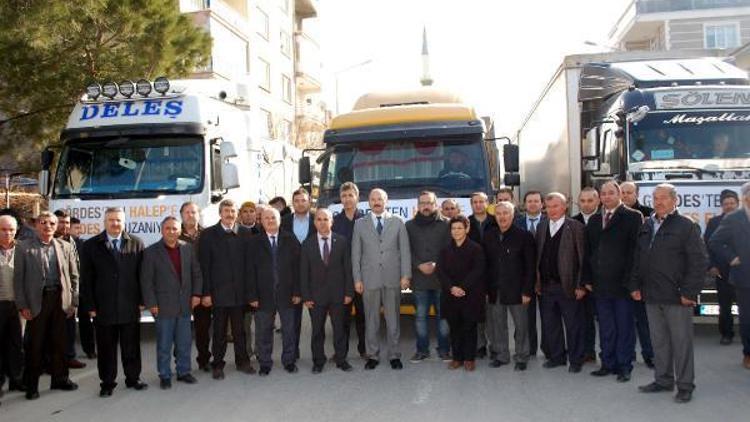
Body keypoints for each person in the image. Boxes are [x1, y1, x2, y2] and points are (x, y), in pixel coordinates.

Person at [629, 183, 707, 403]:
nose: (659, 202)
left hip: (677, 297)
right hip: (651, 295)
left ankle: (685, 385)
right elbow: (638, 258)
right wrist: (634, 285)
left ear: (675, 200)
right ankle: (663, 380)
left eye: (663, 198)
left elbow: (699, 261)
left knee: (681, 343)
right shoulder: (647, 225)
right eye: (655, 198)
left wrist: (689, 292)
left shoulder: (686, 226)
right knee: (659, 341)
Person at [80, 207, 148, 397]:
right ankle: (107, 383)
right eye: (111, 220)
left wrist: (142, 300)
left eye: (118, 220)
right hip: (103, 307)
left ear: (124, 222)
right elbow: (86, 279)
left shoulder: (136, 243)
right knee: (106, 348)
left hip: (129, 305)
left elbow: (141, 275)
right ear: (105, 222)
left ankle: (133, 378)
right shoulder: (92, 245)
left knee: (131, 346)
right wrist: (91, 306)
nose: (115, 223)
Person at [15, 211, 79, 400]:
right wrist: (22, 305)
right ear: (36, 225)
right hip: (37, 301)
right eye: (43, 223)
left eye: (52, 223)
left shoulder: (64, 246)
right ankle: (32, 386)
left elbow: (74, 276)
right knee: (36, 345)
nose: (48, 226)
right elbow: (18, 280)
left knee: (60, 343)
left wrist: (73, 301)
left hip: (60, 300)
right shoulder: (24, 248)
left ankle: (60, 379)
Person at [583, 181, 641, 382]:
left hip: (623, 285)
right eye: (603, 194)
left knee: (624, 327)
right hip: (600, 284)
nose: (607, 197)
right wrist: (587, 279)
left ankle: (624, 366)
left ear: (619, 195)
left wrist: (633, 282)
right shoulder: (594, 220)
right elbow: (588, 253)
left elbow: (636, 253)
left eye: (610, 193)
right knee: (606, 327)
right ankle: (607, 363)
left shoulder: (633, 217)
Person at [352, 188, 411, 370]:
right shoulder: (359, 224)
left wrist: (405, 275)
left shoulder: (398, 222)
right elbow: (356, 254)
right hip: (369, 279)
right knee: (371, 320)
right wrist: (357, 279)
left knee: (393, 319)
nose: (376, 202)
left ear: (386, 201)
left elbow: (405, 251)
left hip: (393, 277)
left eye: (380, 199)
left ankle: (394, 355)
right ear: (368, 202)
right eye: (373, 199)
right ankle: (373, 355)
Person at [141, 216, 203, 389]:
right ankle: (165, 375)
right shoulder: (151, 252)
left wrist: (197, 294)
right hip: (162, 306)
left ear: (179, 231)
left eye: (175, 229)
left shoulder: (188, 249)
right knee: (164, 344)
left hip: (184, 305)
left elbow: (196, 273)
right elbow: (146, 281)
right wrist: (151, 303)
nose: (171, 232)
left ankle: (184, 371)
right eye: (168, 228)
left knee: (184, 342)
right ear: (162, 230)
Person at [198, 199, 254, 380]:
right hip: (218, 294)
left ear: (236, 214)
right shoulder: (208, 235)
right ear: (220, 213)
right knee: (219, 332)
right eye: (226, 211)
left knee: (240, 331)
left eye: (232, 211)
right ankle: (217, 364)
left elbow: (250, 266)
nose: (229, 214)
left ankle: (243, 361)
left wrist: (250, 293)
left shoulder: (245, 234)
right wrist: (206, 293)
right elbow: (204, 266)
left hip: (239, 294)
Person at [536, 192, 587, 373]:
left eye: (556, 206)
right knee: (551, 324)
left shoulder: (575, 227)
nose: (552, 210)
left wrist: (581, 285)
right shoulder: (542, 227)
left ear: (564, 206)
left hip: (569, 287)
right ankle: (557, 357)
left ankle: (575, 360)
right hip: (547, 287)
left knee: (573, 325)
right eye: (548, 207)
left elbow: (582, 259)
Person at [248, 208, 301, 376]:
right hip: (263, 295)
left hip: (287, 293)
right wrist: (252, 295)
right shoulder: (254, 242)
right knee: (263, 331)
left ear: (280, 220)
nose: (270, 220)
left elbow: (298, 268)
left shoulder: (290, 239)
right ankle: (265, 363)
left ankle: (289, 361)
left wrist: (297, 292)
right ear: (261, 221)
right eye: (266, 218)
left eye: (273, 217)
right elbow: (248, 271)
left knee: (289, 330)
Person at [300, 208, 354, 373]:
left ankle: (341, 359)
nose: (322, 223)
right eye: (319, 219)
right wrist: (306, 296)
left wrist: (348, 292)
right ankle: (318, 361)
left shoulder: (342, 241)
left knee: (340, 329)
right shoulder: (307, 244)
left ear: (332, 222)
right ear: (314, 222)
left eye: (326, 219)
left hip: (338, 294)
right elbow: (304, 272)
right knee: (317, 331)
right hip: (316, 297)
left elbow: (348, 269)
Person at [483, 201, 535, 371]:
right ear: (495, 216)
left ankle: (521, 357)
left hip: (518, 290)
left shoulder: (524, 236)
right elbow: (485, 264)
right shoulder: (489, 235)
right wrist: (485, 289)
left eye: (506, 213)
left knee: (521, 326)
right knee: (498, 325)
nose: (502, 217)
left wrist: (527, 290)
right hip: (494, 289)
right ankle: (502, 355)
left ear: (512, 216)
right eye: (499, 214)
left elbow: (530, 267)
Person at [406, 191, 451, 363]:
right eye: (422, 203)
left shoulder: (447, 224)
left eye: (429, 203)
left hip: (442, 280)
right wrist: (418, 265)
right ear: (418, 206)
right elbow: (406, 250)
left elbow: (450, 250)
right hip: (420, 280)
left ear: (435, 205)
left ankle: (444, 350)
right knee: (420, 318)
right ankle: (422, 350)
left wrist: (436, 265)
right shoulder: (409, 226)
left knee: (443, 318)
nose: (426, 206)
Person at [708, 182, 750, 370]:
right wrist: (731, 257)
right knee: (747, 318)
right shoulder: (734, 218)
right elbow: (714, 241)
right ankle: (748, 353)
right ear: (746, 197)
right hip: (744, 277)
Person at [437, 215, 486, 371]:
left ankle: (469, 358)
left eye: (459, 228)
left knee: (469, 327)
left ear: (467, 229)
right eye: (453, 228)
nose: (456, 231)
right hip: (450, 295)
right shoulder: (444, 250)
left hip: (470, 295)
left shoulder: (476, 248)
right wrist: (451, 287)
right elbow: (440, 271)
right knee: (454, 327)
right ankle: (457, 357)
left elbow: (478, 270)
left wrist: (462, 287)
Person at [620, 181, 655, 369]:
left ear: (637, 194)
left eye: (629, 192)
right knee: (625, 322)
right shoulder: (612, 216)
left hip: (640, 277)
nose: (625, 196)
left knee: (644, 320)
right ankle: (628, 354)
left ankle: (650, 354)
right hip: (621, 278)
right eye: (622, 192)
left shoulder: (648, 214)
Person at [332, 182, 367, 359]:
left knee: (363, 317)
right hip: (341, 278)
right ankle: (340, 352)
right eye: (344, 196)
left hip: (362, 277)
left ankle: (364, 349)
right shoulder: (334, 222)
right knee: (342, 319)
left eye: (350, 196)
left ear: (357, 198)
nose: (347, 199)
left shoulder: (365, 221)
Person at [280, 188, 316, 361]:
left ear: (309, 202)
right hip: (292, 277)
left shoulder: (318, 218)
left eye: (304, 200)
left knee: (317, 320)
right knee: (292, 321)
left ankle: (318, 355)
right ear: (292, 203)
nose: (300, 204)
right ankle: (292, 354)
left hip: (314, 277)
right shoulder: (284, 221)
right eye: (297, 201)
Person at [178, 201, 211, 371]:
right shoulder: (174, 235)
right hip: (180, 291)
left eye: (194, 212)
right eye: (187, 212)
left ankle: (204, 360)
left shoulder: (208, 235)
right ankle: (181, 364)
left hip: (203, 290)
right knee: (180, 331)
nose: (191, 215)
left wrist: (207, 293)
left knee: (202, 330)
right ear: (181, 215)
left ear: (199, 215)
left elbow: (213, 266)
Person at [704, 189, 740, 345]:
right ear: (721, 206)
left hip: (743, 271)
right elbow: (707, 246)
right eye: (726, 204)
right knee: (724, 307)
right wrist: (711, 266)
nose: (729, 206)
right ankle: (727, 334)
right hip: (722, 272)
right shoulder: (714, 223)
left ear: (738, 204)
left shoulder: (746, 220)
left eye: (732, 203)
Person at [53, 210, 87, 370]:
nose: (64, 226)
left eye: (67, 223)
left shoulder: (71, 242)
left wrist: (75, 295)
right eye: (61, 222)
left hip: (69, 293)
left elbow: (75, 270)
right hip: (51, 293)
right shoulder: (46, 241)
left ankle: (69, 357)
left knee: (69, 328)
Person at [515, 190, 547, 358]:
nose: (533, 204)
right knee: (526, 319)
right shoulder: (517, 223)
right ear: (524, 204)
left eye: (536, 201)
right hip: (524, 278)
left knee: (549, 317)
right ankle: (530, 349)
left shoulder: (551, 222)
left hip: (547, 278)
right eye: (529, 201)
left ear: (542, 204)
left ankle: (549, 350)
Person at [573, 187, 600, 363]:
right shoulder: (572, 222)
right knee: (583, 319)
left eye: (590, 200)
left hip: (603, 280)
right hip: (581, 280)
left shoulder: (605, 220)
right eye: (582, 201)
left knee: (606, 320)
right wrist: (581, 283)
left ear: (597, 201)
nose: (586, 204)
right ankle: (586, 351)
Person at [468, 192, 496, 359]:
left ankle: (495, 346)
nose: (478, 205)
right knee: (477, 313)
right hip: (473, 275)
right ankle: (480, 345)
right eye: (475, 202)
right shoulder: (467, 223)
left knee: (493, 315)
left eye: (481, 202)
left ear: (487, 203)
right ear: (471, 205)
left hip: (493, 273)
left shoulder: (495, 221)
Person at [0, 215, 24, 398]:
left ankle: (16, 379)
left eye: (11, 230)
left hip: (17, 306)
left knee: (16, 345)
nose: (8, 233)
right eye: (3, 229)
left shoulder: (23, 250)